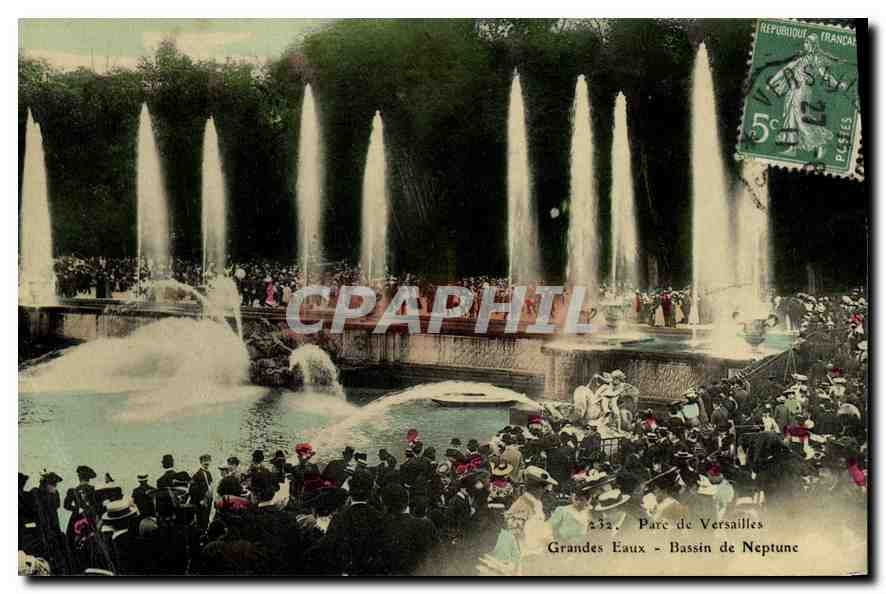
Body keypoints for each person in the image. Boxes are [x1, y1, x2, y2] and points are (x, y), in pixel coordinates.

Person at [377, 482, 438, 575]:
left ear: (384, 504)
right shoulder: (425, 524)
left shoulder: (378, 526)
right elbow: (438, 557)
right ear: (407, 501)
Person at [189, 454, 214, 532]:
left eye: (208, 461)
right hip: (201, 502)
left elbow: (210, 485)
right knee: (201, 519)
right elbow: (193, 489)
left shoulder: (208, 473)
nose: (207, 463)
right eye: (204, 461)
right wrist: (200, 500)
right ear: (201, 462)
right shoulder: (197, 474)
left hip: (208, 500)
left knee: (206, 518)